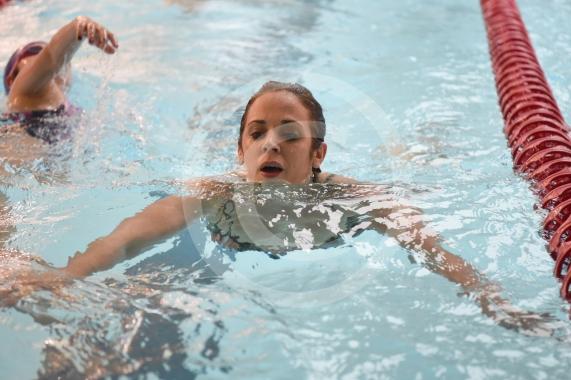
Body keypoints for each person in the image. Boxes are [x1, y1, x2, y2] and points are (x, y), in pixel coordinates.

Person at [4, 81, 556, 334]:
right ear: (241, 151)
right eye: (257, 133)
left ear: (318, 154)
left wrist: (490, 300)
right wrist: (66, 275)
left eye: (289, 135)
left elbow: (431, 248)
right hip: (226, 252)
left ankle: (428, 144)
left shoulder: (355, 200)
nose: (270, 144)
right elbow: (130, 236)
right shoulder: (214, 192)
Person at [1, 16, 118, 144]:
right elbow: (51, 57)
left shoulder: (74, 113)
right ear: (11, 80)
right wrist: (79, 26)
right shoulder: (24, 93)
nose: (39, 59)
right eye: (34, 52)